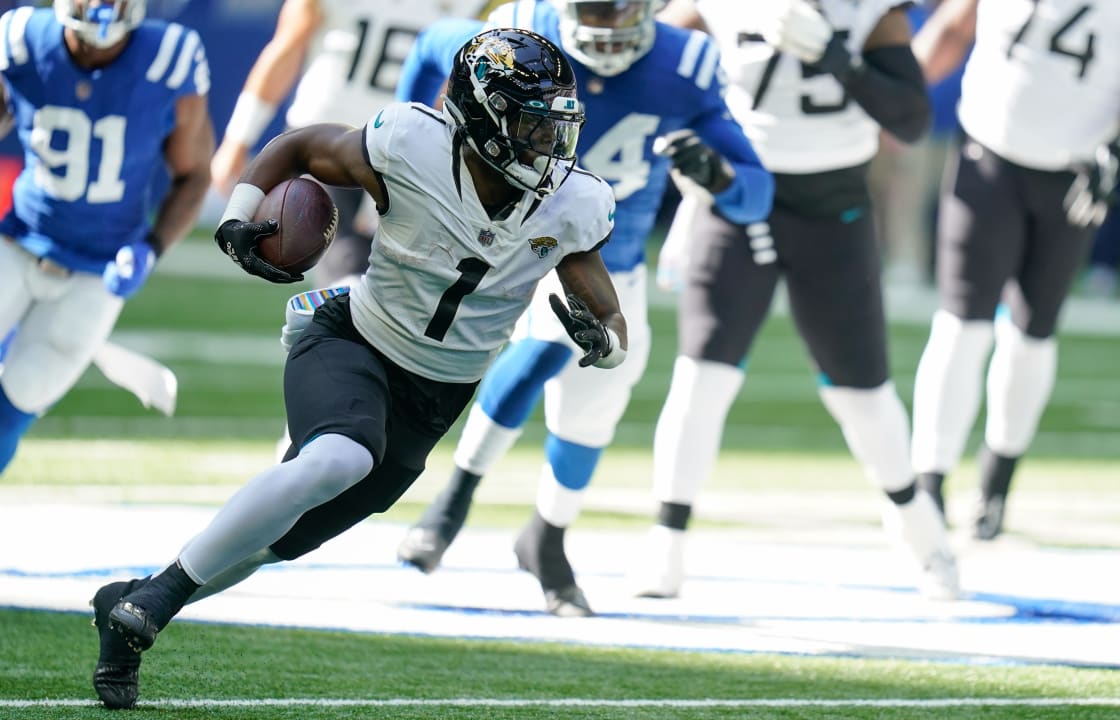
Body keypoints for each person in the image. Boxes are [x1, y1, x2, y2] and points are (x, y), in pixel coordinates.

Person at [91, 28, 623, 709]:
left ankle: (132, 607)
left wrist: (603, 342)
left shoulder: (574, 202)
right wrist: (240, 214)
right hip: (354, 337)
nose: (545, 144)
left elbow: (613, 324)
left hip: (435, 398)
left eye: (554, 128)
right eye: (529, 124)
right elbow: (304, 145)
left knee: (274, 546)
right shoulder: (413, 142)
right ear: (481, 115)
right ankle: (154, 605)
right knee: (338, 459)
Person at [393, 0, 773, 617]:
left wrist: (720, 178)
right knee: (545, 347)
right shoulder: (522, 31)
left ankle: (547, 536)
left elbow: (757, 196)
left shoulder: (687, 63)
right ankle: (453, 502)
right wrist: (411, 139)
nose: (604, 26)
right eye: (591, 8)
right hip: (528, 241)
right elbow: (435, 44)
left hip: (616, 262)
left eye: (618, 11)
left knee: (590, 415)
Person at [626, 0, 959, 602]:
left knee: (861, 393)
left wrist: (836, 58)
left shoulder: (868, 12)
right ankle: (666, 540)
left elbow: (911, 119)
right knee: (703, 373)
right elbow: (643, 60)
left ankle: (920, 529)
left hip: (834, 206)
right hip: (734, 194)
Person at [909, 0, 1120, 538]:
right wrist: (890, 94)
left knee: (1033, 333)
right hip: (988, 155)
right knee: (962, 322)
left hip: (1073, 175)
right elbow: (948, 32)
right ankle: (928, 484)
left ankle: (995, 486)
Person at [0, 0, 213, 475]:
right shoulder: (20, 39)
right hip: (17, 243)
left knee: (18, 402)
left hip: (98, 270)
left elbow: (195, 174)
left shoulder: (168, 57)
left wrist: (151, 249)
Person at [211, 0, 498, 292]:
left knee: (388, 275)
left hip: (387, 145)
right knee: (345, 259)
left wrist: (238, 138)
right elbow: (288, 45)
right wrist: (238, 138)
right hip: (341, 141)